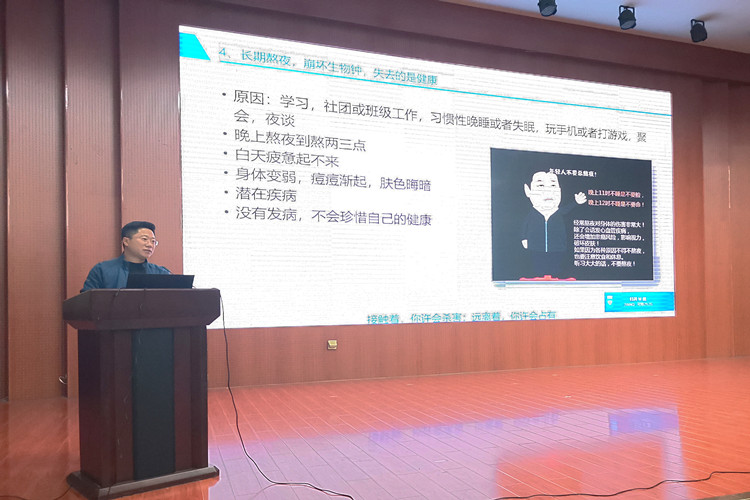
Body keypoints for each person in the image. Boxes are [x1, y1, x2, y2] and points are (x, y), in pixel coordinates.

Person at [521, 171, 586, 278]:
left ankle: (555, 276)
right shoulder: (532, 214)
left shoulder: (558, 212)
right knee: (538, 261)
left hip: (557, 246)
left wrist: (576, 202)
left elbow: (567, 209)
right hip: (536, 245)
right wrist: (524, 238)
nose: (548, 191)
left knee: (555, 262)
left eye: (553, 185)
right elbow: (525, 225)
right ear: (528, 191)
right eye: (541, 185)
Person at [81, 221, 170, 291]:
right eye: (144, 239)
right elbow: (87, 302)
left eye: (153, 241)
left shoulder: (161, 273)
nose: (150, 245)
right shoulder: (102, 270)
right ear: (126, 241)